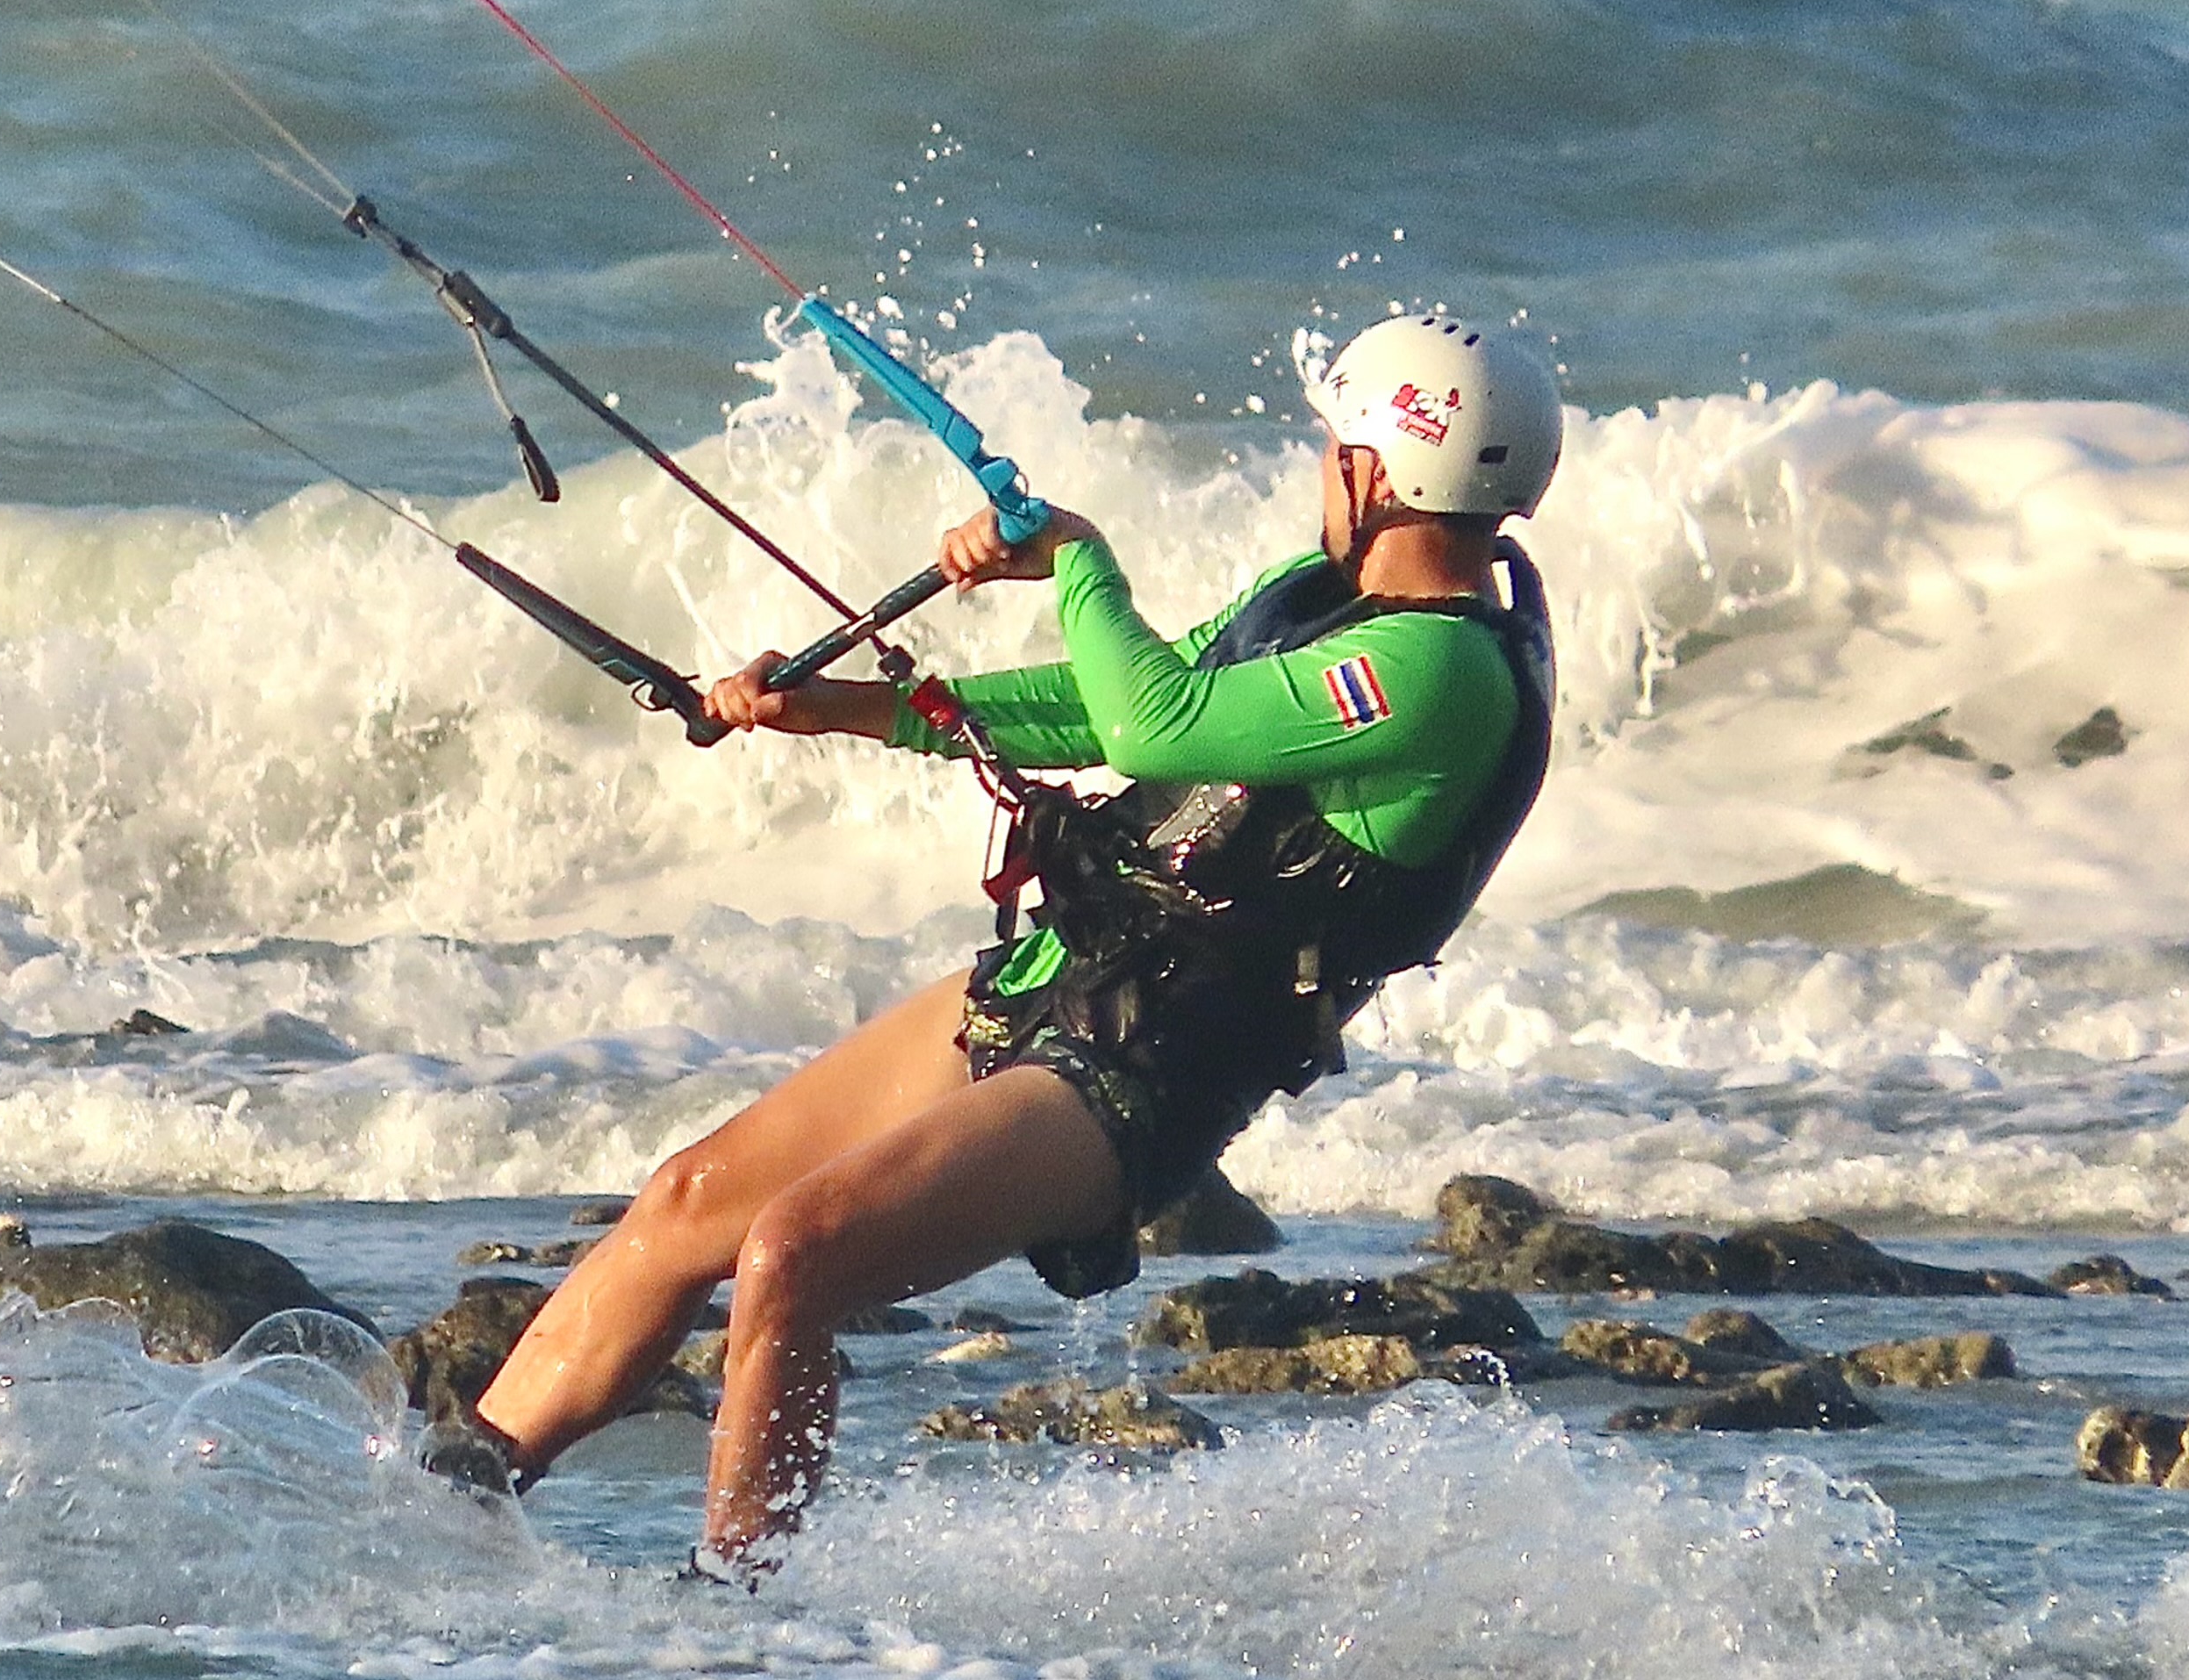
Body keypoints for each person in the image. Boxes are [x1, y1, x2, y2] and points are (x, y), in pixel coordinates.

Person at [451, 314, 1567, 1567]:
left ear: (1374, 470)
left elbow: (1154, 725)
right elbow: (1099, 707)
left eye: (1329, 448)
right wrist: (845, 710)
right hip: (1063, 976)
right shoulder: (1312, 606)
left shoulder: (1439, 675)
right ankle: (455, 1496)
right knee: (694, 1197)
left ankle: (734, 1614)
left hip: (1148, 1074)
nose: (1321, 472)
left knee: (793, 1255)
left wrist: (1080, 557)